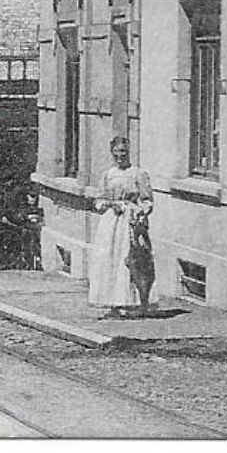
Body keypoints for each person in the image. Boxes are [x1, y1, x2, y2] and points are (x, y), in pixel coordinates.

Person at [87, 136, 155, 318]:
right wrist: (109, 204)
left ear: (128, 152)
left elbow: (147, 200)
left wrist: (139, 211)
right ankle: (114, 303)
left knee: (129, 259)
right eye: (116, 154)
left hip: (129, 221)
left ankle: (133, 302)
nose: (120, 157)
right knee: (109, 258)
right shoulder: (108, 175)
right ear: (112, 154)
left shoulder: (138, 173)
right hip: (111, 222)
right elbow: (99, 200)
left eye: (123, 153)